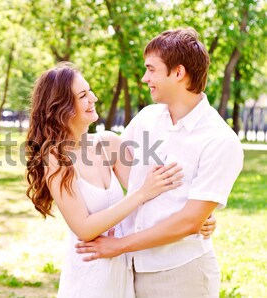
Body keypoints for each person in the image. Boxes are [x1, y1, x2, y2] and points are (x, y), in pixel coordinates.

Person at [76, 28, 243, 298]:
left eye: (151, 70)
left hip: (180, 274)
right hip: (130, 271)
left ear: (178, 73)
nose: (145, 78)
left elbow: (188, 221)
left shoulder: (220, 140)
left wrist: (118, 245)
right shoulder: (147, 118)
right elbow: (118, 166)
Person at [25, 63, 215, 297]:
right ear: (60, 107)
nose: (93, 98)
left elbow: (156, 193)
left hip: (122, 270)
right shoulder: (56, 159)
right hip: (89, 273)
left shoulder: (108, 144)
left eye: (90, 90)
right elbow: (84, 228)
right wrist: (141, 194)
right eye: (83, 95)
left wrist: (197, 215)